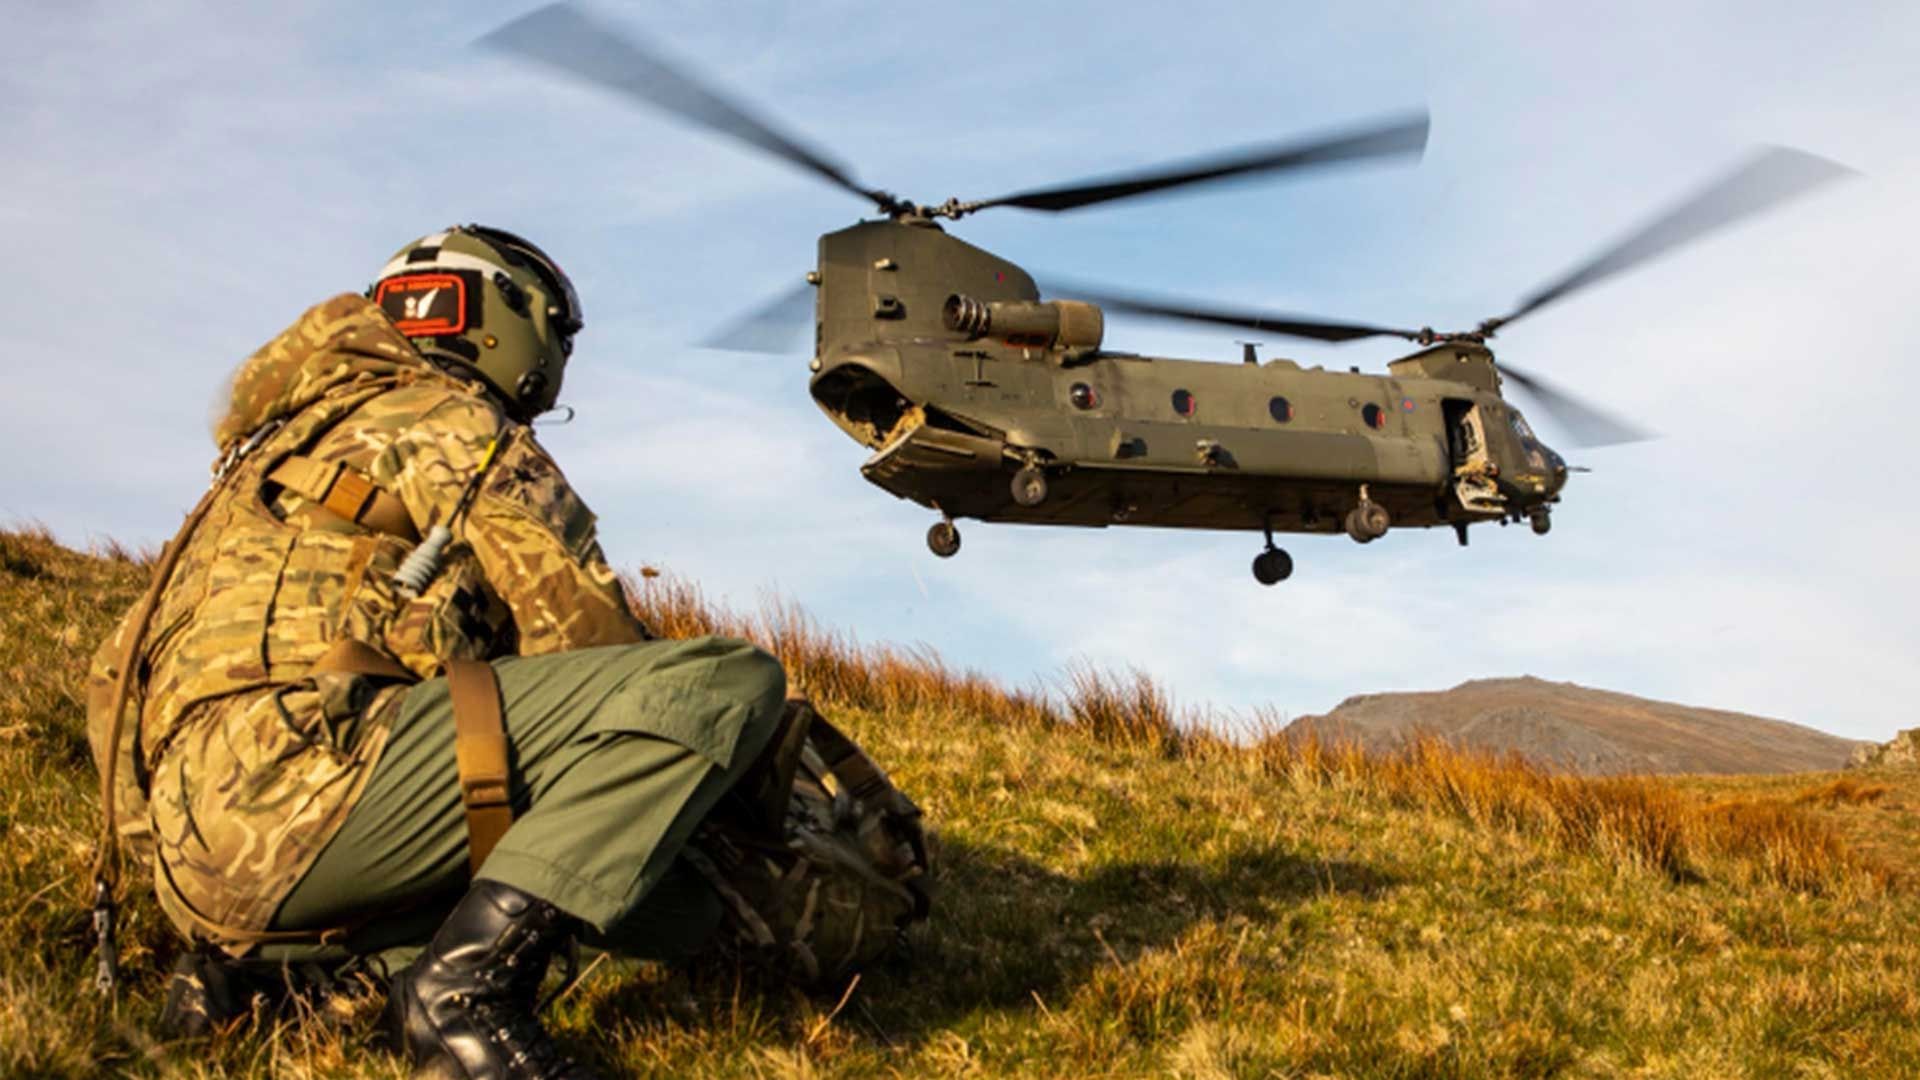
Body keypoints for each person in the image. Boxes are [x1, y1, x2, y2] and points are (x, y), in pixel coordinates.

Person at [86, 225, 786, 1079]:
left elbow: (112, 676)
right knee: (721, 680)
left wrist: (183, 885)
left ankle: (260, 980)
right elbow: (589, 642)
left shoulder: (256, 467)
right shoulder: (458, 423)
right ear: (513, 321)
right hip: (314, 796)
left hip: (191, 864)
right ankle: (464, 998)